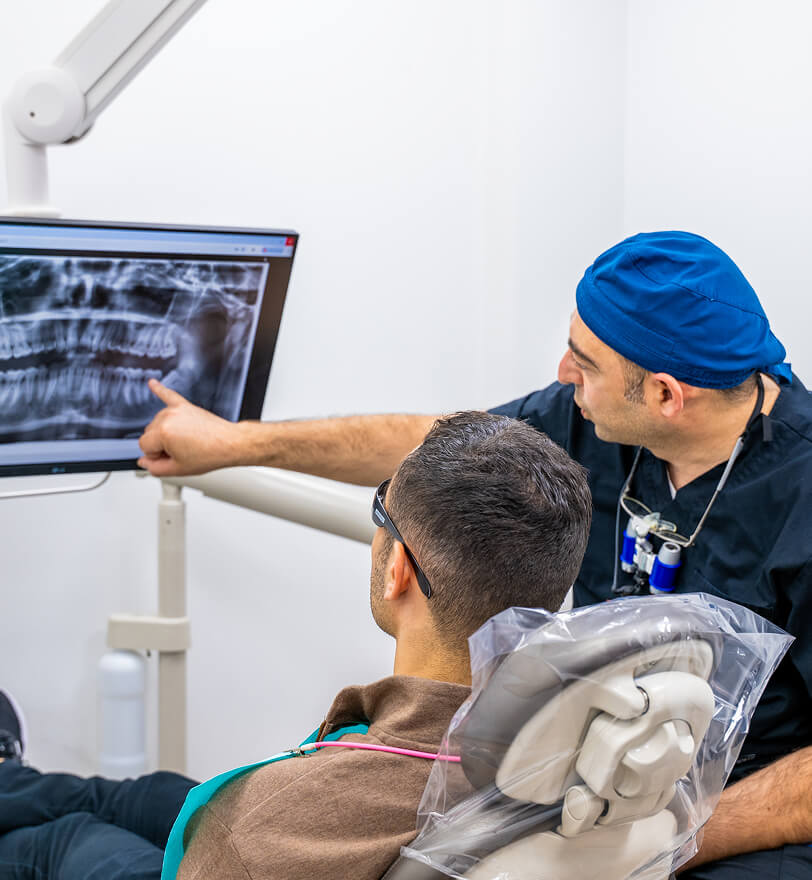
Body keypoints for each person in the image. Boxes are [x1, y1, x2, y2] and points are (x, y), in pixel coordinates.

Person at [138, 230, 812, 878]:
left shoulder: (800, 495)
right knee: (176, 813)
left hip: (733, 828)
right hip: (583, 788)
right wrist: (237, 445)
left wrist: (657, 839)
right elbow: (444, 454)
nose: (562, 374)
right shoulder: (599, 419)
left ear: (667, 394)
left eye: (585, 363)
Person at [0, 411, 592, 880]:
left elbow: (235, 850)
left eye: (381, 514)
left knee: (69, 839)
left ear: (398, 572)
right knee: (151, 794)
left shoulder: (265, 824)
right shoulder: (588, 753)